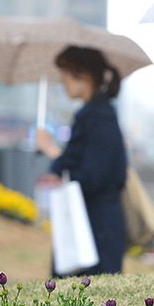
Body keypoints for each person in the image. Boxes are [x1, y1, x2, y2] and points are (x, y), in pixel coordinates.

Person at [36, 46, 127, 277]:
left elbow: (90, 176)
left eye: (65, 74)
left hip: (96, 229)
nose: (62, 82)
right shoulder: (94, 113)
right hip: (90, 226)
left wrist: (52, 151)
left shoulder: (98, 116)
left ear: (83, 75)